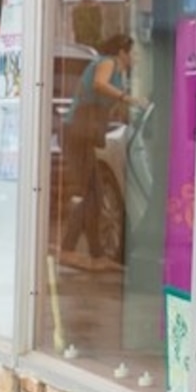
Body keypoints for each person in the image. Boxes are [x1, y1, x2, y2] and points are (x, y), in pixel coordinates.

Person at [57, 30, 136, 265]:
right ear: (122, 52)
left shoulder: (119, 72)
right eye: (134, 53)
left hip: (85, 134)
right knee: (92, 193)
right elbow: (99, 84)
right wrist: (126, 98)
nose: (136, 58)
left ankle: (96, 253)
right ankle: (70, 248)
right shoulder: (108, 62)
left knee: (94, 193)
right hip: (78, 133)